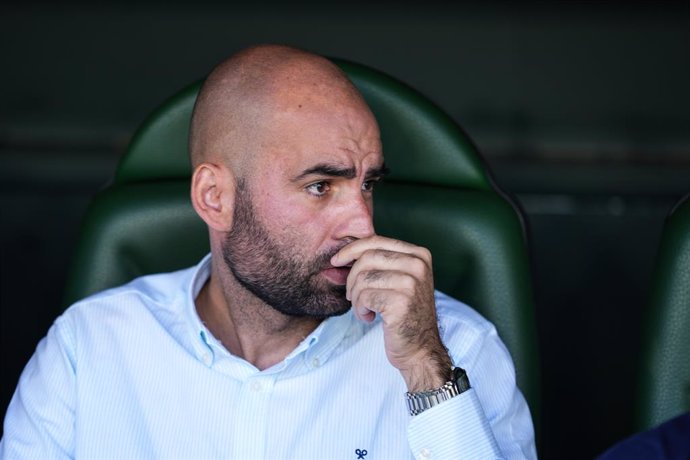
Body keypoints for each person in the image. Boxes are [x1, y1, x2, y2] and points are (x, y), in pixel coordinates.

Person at [0, 44, 536, 459]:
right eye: (320, 186)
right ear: (216, 198)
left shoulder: (455, 350)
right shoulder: (86, 351)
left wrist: (426, 370)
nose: (363, 224)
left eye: (368, 184)